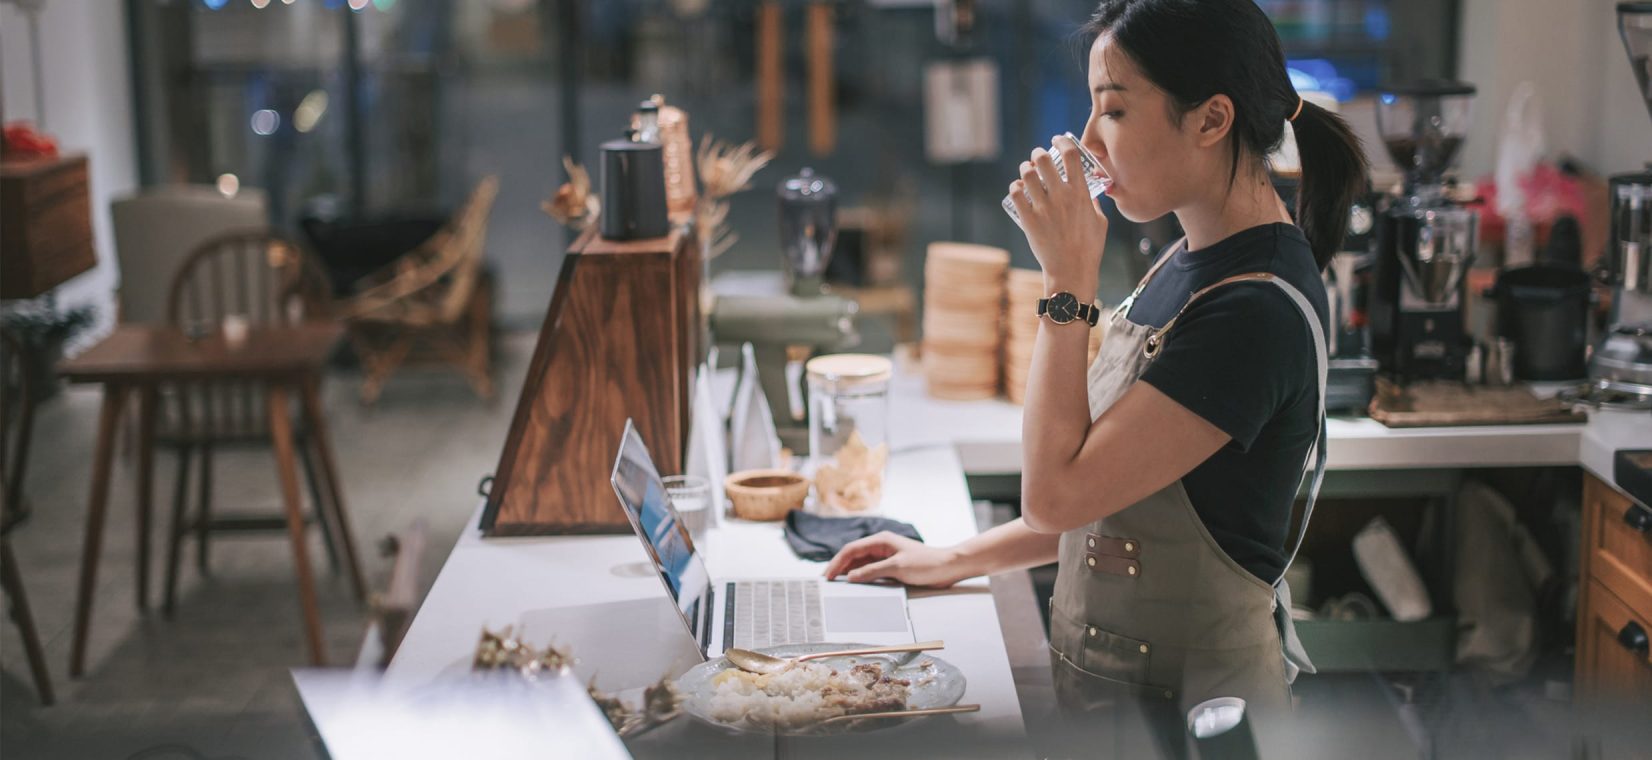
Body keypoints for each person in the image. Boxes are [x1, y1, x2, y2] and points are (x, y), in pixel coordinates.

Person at [824, 0, 1367, 743]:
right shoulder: (1185, 262)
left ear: (1211, 120)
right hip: (1124, 711)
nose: (1085, 141)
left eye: (1112, 110)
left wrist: (1067, 285)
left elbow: (1057, 496)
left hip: (1199, 728)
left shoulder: (1254, 312)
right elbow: (1109, 496)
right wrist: (951, 558)